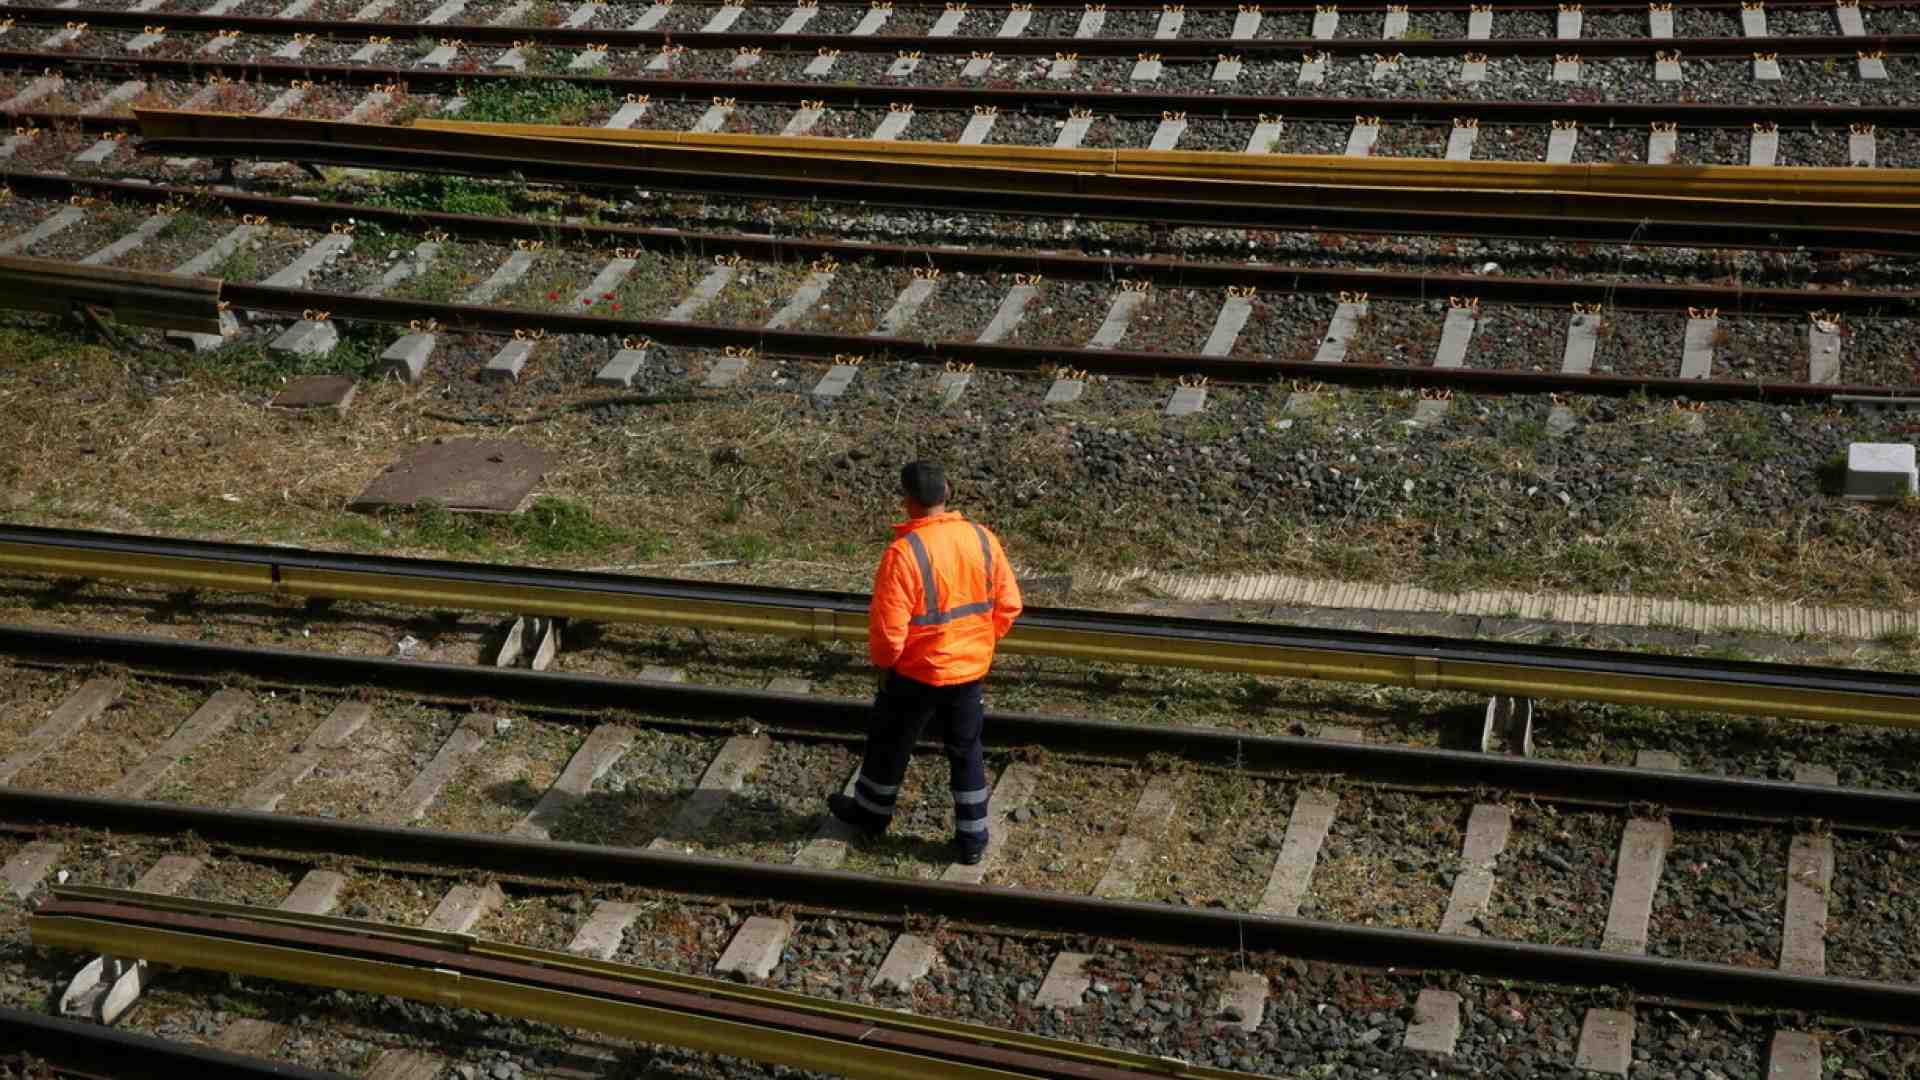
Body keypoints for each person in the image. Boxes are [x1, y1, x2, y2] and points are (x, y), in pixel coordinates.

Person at [828, 460, 1023, 865]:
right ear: (947, 492)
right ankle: (972, 840)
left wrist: (886, 664)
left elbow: (888, 631)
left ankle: (871, 815)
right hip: (969, 671)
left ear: (908, 502)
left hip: (915, 673)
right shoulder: (983, 539)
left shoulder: (903, 554)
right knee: (966, 751)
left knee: (889, 742)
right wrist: (980, 643)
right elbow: (1008, 606)